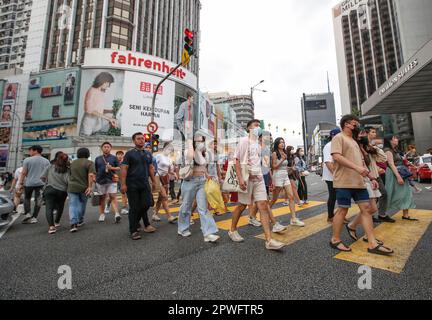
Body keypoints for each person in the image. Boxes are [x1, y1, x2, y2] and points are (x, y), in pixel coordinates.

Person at [330, 115, 393, 256]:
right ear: (346, 124)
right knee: (342, 211)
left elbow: (362, 163)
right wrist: (357, 169)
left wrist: (371, 177)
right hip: (344, 182)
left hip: (359, 182)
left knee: (367, 209)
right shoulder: (338, 138)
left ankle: (372, 243)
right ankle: (335, 239)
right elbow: (336, 157)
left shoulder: (354, 141)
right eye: (355, 124)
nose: (357, 127)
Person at [228, 119, 285, 251]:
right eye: (255, 125)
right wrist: (241, 178)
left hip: (258, 178)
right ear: (249, 128)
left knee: (263, 206)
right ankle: (232, 230)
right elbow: (236, 160)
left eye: (259, 126)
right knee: (242, 206)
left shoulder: (259, 145)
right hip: (247, 178)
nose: (258, 127)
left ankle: (269, 240)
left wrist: (268, 178)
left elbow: (261, 163)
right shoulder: (244, 141)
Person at [177, 135, 220, 243]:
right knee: (186, 206)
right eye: (198, 141)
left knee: (203, 208)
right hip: (189, 182)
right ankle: (182, 228)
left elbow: (204, 167)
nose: (200, 143)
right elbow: (191, 156)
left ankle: (208, 233)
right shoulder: (188, 151)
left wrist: (208, 175)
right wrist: (190, 143)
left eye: (202, 141)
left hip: (202, 181)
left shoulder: (204, 153)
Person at [121, 133, 157, 240]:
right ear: (134, 141)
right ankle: (134, 230)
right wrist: (123, 184)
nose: (141, 140)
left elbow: (151, 168)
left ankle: (136, 222)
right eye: (138, 139)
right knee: (134, 208)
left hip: (144, 184)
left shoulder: (148, 154)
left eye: (142, 138)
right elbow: (124, 169)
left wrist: (154, 181)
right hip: (132, 184)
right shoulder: (129, 154)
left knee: (147, 204)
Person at [269, 137, 304, 227]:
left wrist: (291, 168)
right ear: (277, 144)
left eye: (283, 142)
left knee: (291, 197)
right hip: (277, 176)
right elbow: (274, 167)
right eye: (280, 142)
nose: (282, 144)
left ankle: (293, 219)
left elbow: (284, 167)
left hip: (285, 176)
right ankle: (266, 212)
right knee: (274, 199)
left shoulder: (284, 153)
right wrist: (282, 160)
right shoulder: (274, 153)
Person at [384, 135, 417, 221]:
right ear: (390, 140)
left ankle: (405, 215)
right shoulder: (388, 151)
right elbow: (391, 164)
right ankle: (382, 214)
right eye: (395, 138)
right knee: (390, 193)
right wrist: (398, 177)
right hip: (393, 174)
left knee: (406, 193)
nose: (397, 139)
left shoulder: (396, 150)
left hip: (401, 173)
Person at [19, 146, 51, 224]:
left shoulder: (27, 160)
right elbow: (48, 173)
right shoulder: (46, 161)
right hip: (41, 183)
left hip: (29, 183)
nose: (29, 152)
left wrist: (21, 183)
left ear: (35, 151)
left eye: (30, 150)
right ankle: (34, 217)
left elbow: (24, 172)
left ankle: (28, 213)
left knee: (27, 198)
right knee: (38, 200)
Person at [67, 148, 95, 233]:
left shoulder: (72, 163)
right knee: (82, 204)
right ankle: (80, 220)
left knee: (73, 204)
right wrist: (90, 187)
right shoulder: (90, 163)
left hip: (72, 187)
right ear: (87, 154)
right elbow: (91, 175)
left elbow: (69, 175)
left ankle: (73, 223)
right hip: (84, 187)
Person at [41, 152, 70, 234]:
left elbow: (42, 177)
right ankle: (57, 222)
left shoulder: (50, 166)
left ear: (57, 158)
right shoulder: (67, 169)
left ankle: (51, 227)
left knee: (49, 208)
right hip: (62, 191)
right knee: (60, 207)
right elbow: (68, 181)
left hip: (50, 189)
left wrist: (47, 181)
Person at [95, 142, 122, 223]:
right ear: (102, 148)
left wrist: (111, 168)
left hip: (111, 180)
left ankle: (117, 214)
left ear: (110, 148)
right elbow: (95, 170)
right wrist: (94, 178)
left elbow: (119, 168)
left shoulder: (114, 158)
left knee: (113, 196)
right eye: (105, 147)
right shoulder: (98, 158)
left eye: (108, 147)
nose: (106, 148)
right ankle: (102, 214)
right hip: (100, 180)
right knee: (102, 198)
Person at [153, 142, 178, 224]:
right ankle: (169, 216)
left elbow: (169, 171)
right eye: (168, 148)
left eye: (171, 149)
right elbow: (153, 167)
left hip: (165, 178)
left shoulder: (170, 158)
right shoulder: (158, 156)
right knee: (164, 196)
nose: (169, 150)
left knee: (161, 198)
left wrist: (174, 174)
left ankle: (155, 214)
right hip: (157, 177)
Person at [322, 128, 341, 223]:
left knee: (342, 195)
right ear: (333, 136)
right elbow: (328, 162)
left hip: (339, 175)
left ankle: (339, 215)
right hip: (331, 176)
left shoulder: (337, 145)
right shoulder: (328, 146)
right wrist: (336, 174)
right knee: (333, 196)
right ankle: (330, 216)